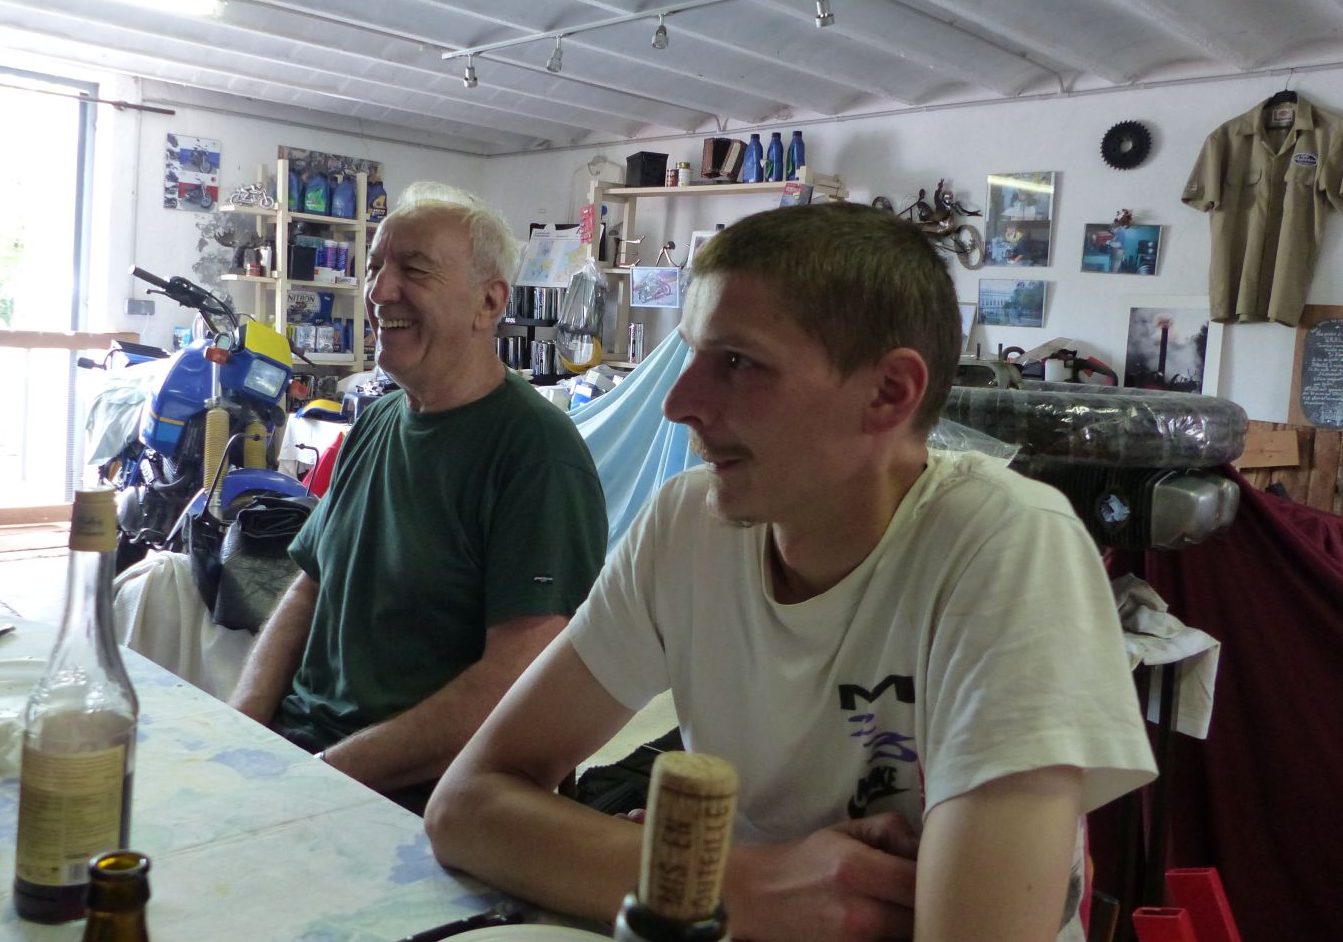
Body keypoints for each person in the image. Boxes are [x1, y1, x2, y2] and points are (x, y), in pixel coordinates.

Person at [426, 201, 1155, 940]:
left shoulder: (1009, 544)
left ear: (888, 392)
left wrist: (632, 867)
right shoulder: (686, 525)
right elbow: (465, 805)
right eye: (693, 355)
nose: (679, 404)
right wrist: (748, 884)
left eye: (738, 363)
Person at [230, 183, 607, 814]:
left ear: (489, 302)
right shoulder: (376, 422)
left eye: (414, 269)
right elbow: (311, 588)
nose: (379, 292)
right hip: (304, 762)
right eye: (375, 266)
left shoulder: (535, 452)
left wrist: (320, 781)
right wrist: (241, 729)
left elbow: (517, 679)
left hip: (409, 800)